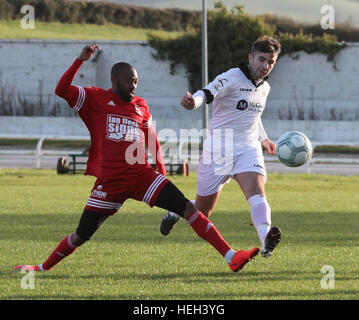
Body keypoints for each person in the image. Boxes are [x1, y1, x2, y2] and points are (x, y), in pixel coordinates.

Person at [14, 44, 259, 273]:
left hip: (141, 175)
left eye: (137, 81)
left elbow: (152, 140)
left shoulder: (141, 106)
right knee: (82, 235)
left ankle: (231, 257)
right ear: (114, 80)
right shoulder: (93, 98)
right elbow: (61, 90)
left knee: (186, 207)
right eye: (130, 81)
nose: (134, 86)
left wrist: (161, 173)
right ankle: (42, 268)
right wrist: (80, 60)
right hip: (110, 183)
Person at [160, 36, 282, 259]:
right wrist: (193, 103)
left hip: (248, 148)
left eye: (271, 62)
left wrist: (263, 139)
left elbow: (254, 117)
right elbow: (206, 92)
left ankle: (265, 239)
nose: (265, 66)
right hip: (219, 150)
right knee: (202, 212)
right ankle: (177, 211)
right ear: (250, 57)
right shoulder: (231, 78)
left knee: (257, 192)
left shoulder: (265, 88)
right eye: (261, 59)